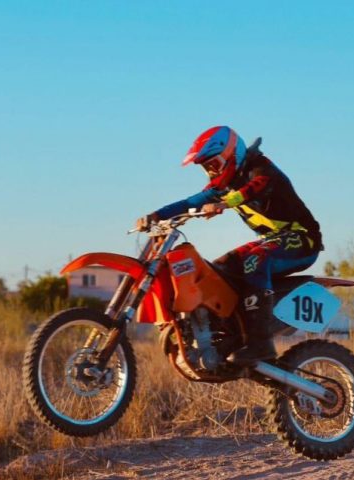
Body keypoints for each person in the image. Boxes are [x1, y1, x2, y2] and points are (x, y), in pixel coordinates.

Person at [136, 126, 323, 364]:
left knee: (256, 260)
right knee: (219, 269)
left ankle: (260, 344)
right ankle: (230, 336)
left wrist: (224, 204)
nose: (210, 173)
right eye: (206, 168)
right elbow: (190, 202)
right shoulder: (224, 185)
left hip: (302, 239)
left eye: (212, 165)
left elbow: (254, 188)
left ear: (231, 155)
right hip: (272, 240)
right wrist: (155, 215)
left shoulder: (262, 169)